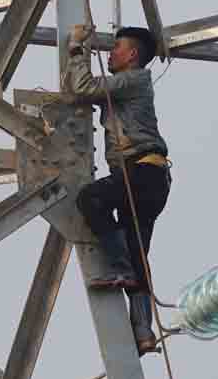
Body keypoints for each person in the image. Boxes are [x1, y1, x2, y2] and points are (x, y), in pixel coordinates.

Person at [67, 24, 171, 354]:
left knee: (90, 198)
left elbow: (83, 87)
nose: (110, 54)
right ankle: (143, 333)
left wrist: (76, 48)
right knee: (139, 257)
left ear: (132, 55)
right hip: (150, 177)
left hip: (141, 173)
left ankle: (119, 266)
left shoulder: (134, 79)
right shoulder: (128, 84)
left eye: (116, 48)